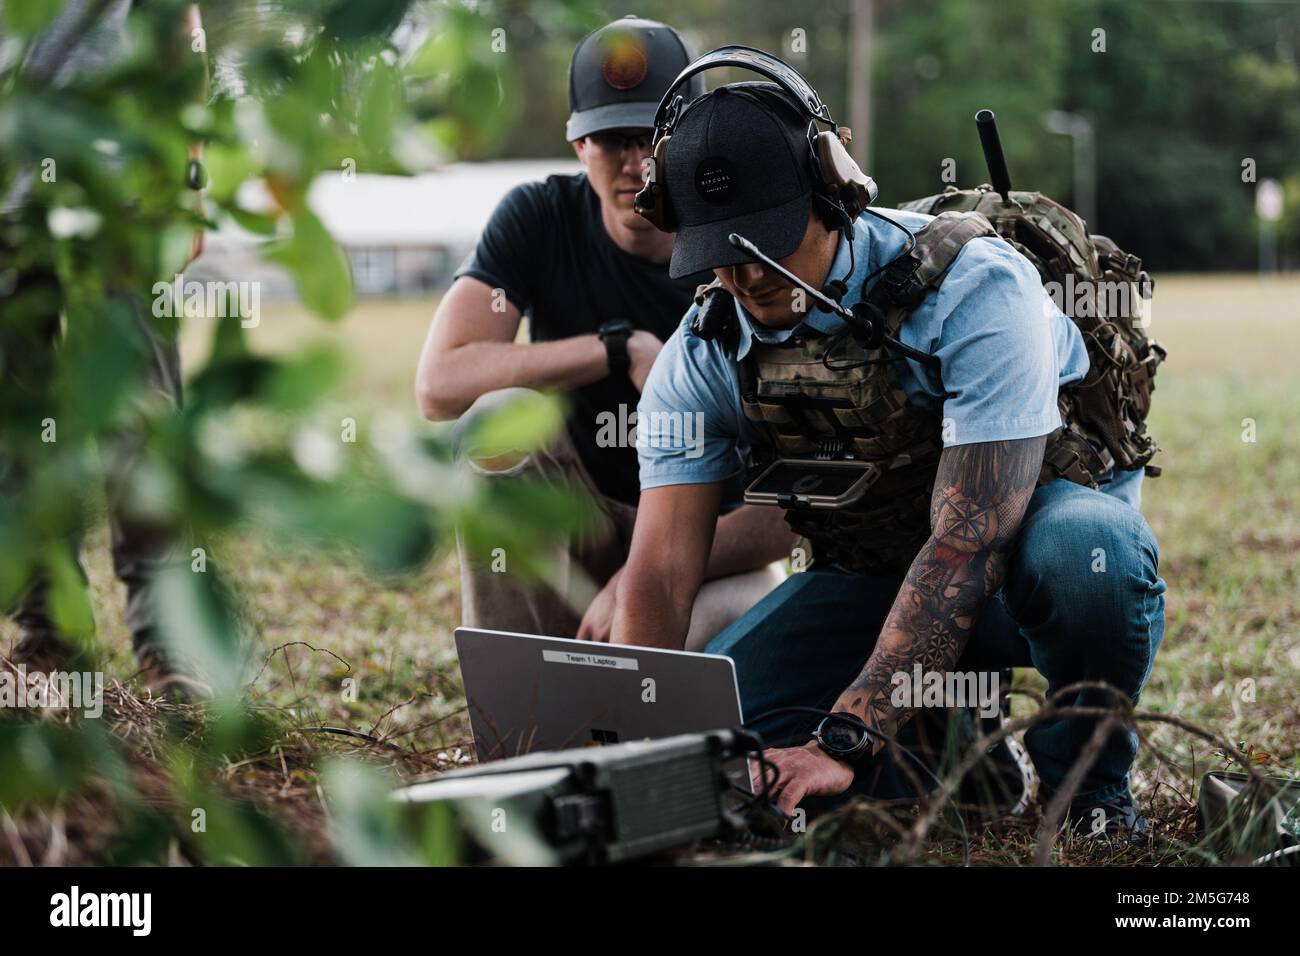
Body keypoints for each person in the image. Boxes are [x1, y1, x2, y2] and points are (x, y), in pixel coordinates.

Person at [612, 51, 1166, 838]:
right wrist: (636, 751)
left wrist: (845, 736)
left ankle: (1090, 787)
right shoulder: (701, 350)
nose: (744, 274)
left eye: (767, 239)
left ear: (832, 188)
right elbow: (662, 572)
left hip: (1020, 564)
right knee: (730, 759)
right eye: (718, 251)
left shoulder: (976, 289)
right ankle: (952, 753)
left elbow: (970, 544)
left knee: (1088, 552)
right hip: (878, 577)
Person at [416, 18, 792, 646]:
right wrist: (616, 349)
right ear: (578, 148)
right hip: (576, 517)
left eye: (654, 137)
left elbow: (787, 511)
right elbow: (440, 385)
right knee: (493, 421)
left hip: (707, 543)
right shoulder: (539, 216)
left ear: (691, 143)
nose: (636, 163)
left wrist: (637, 578)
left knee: (708, 656)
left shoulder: (745, 251)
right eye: (611, 139)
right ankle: (520, 717)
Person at [1, 1, 208, 698]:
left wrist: (188, 181)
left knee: (141, 418)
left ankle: (166, 641)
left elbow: (179, 27)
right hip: (7, 206)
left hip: (120, 197)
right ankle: (46, 633)